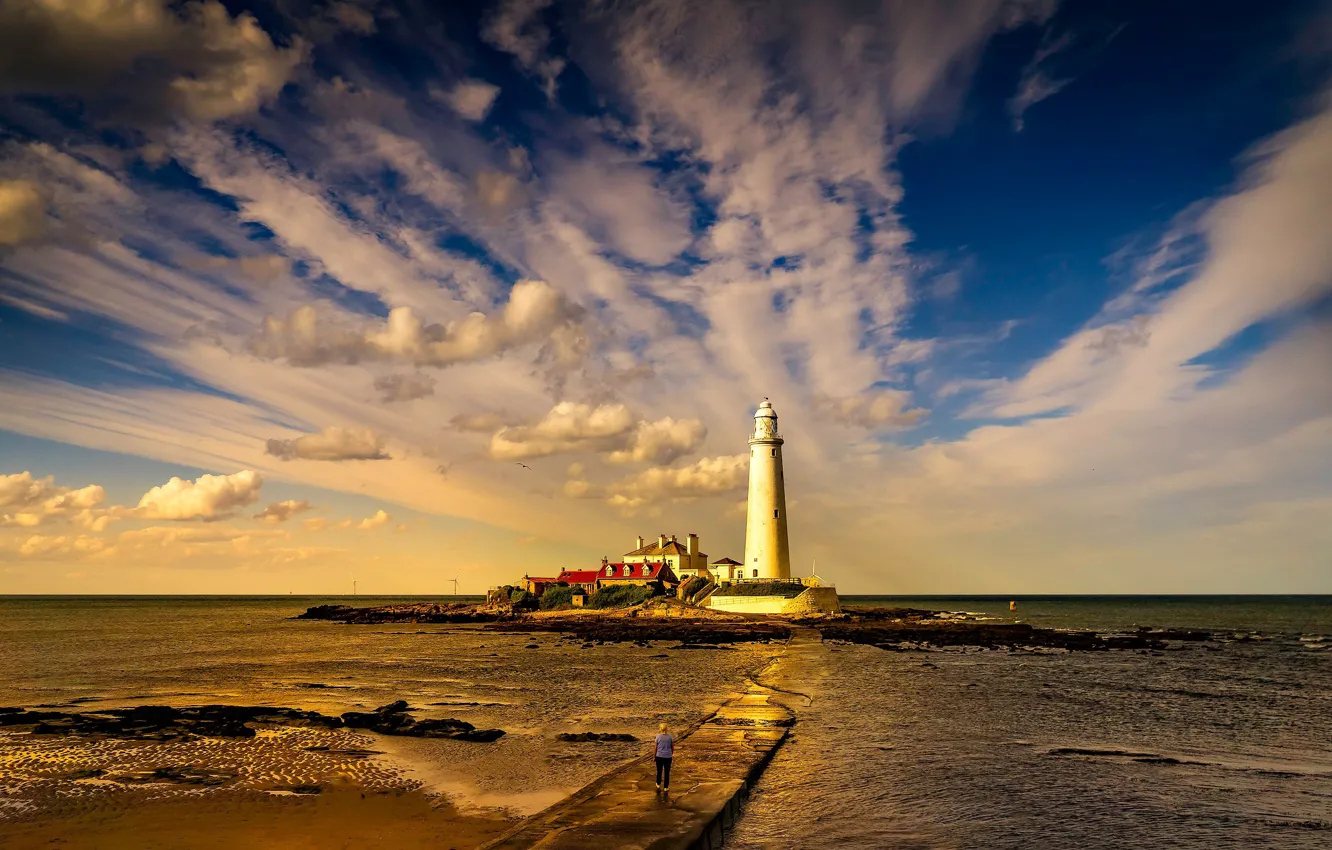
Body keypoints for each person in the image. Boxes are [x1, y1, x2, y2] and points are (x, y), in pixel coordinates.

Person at [654, 722, 673, 793]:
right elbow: (672, 747)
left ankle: (658, 783)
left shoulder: (658, 737)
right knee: (667, 772)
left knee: (659, 770)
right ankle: (666, 787)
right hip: (668, 756)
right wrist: (670, 754)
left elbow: (656, 748)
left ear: (660, 729)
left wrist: (654, 756)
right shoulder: (670, 737)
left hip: (659, 756)